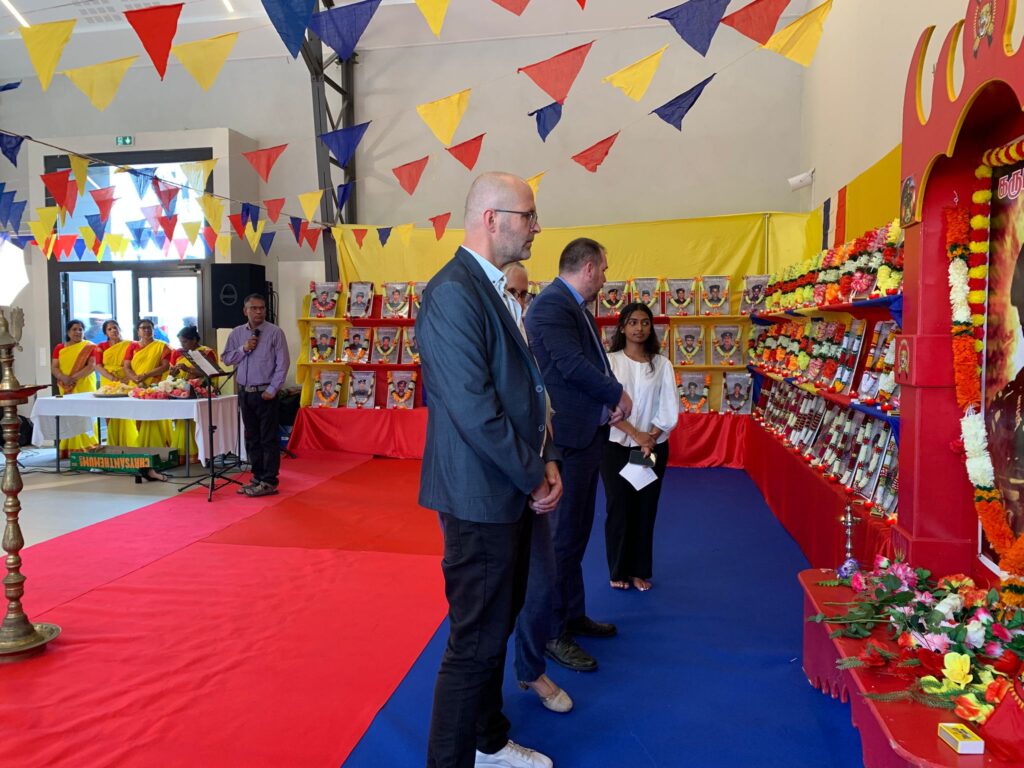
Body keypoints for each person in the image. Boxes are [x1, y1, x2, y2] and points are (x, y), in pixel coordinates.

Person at [418, 172, 561, 768]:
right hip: (479, 496)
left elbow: (527, 390)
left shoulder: (494, 288)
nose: (536, 227)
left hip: (507, 488)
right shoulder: (453, 291)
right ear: (491, 219)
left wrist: (546, 459)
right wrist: (534, 475)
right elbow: (474, 408)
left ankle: (488, 741)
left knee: (495, 629)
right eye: (528, 216)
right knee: (474, 642)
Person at [524, 237, 632, 675]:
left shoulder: (571, 305)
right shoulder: (552, 305)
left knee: (577, 533)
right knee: (562, 539)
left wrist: (606, 401)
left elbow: (587, 363)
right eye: (603, 269)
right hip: (567, 439)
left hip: (584, 434)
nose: (605, 277)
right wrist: (615, 393)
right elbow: (570, 365)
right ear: (588, 268)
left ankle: (571, 614)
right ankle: (552, 633)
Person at [504, 261, 573, 715]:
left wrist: (550, 461)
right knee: (487, 599)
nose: (520, 303)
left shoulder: (530, 342)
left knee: (542, 582)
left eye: (524, 294)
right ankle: (482, 698)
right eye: (512, 293)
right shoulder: (479, 337)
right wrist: (532, 478)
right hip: (490, 488)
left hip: (534, 479)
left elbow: (543, 409)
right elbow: (482, 420)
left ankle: (530, 668)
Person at [599, 302, 677, 592]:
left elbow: (669, 406)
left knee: (645, 509)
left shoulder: (662, 364)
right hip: (615, 446)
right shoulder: (610, 362)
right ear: (622, 327)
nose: (639, 328)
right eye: (632, 322)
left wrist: (650, 437)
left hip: (652, 448)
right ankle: (618, 569)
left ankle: (638, 571)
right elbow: (605, 406)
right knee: (618, 507)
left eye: (645, 322)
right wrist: (635, 434)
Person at [222, 293, 290, 498]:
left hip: (265, 393)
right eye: (254, 308)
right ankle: (257, 477)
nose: (259, 311)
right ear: (245, 311)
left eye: (262, 308)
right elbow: (226, 359)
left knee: (268, 439)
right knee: (252, 438)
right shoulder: (236, 333)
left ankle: (269, 481)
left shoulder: (275, 333)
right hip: (245, 393)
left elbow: (283, 363)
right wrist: (243, 348)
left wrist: (273, 390)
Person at [169, 325, 219, 461]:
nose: (182, 345)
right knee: (182, 420)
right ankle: (182, 453)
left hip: (199, 392)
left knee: (195, 421)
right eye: (180, 342)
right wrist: (174, 373)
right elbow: (172, 374)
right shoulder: (178, 353)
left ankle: (196, 453)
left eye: (185, 342)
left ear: (194, 340)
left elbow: (211, 373)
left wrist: (188, 369)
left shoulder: (206, 352)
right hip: (182, 391)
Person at [123, 317, 173, 454]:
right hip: (136, 386)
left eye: (149, 328)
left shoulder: (162, 346)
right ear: (138, 331)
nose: (146, 330)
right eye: (143, 328)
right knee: (139, 415)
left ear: (153, 330)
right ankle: (143, 445)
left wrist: (146, 375)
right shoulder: (132, 346)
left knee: (156, 415)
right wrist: (136, 379)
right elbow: (126, 366)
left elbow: (165, 366)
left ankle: (160, 447)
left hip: (155, 387)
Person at [50, 319, 98, 455]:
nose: (78, 332)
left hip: (84, 384)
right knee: (69, 413)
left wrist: (72, 378)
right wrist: (63, 377)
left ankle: (88, 446)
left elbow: (91, 366)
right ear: (68, 332)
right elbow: (54, 367)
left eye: (80, 329)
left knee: (85, 414)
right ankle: (69, 447)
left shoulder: (90, 347)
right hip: (65, 385)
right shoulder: (60, 347)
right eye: (74, 329)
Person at [94, 319, 138, 447]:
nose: (113, 330)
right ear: (106, 333)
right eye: (109, 329)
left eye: (115, 327)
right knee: (110, 411)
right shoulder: (101, 346)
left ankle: (129, 443)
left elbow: (134, 363)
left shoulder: (130, 344)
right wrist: (113, 379)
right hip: (108, 381)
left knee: (127, 411)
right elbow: (98, 365)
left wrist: (127, 377)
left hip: (127, 380)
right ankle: (113, 443)